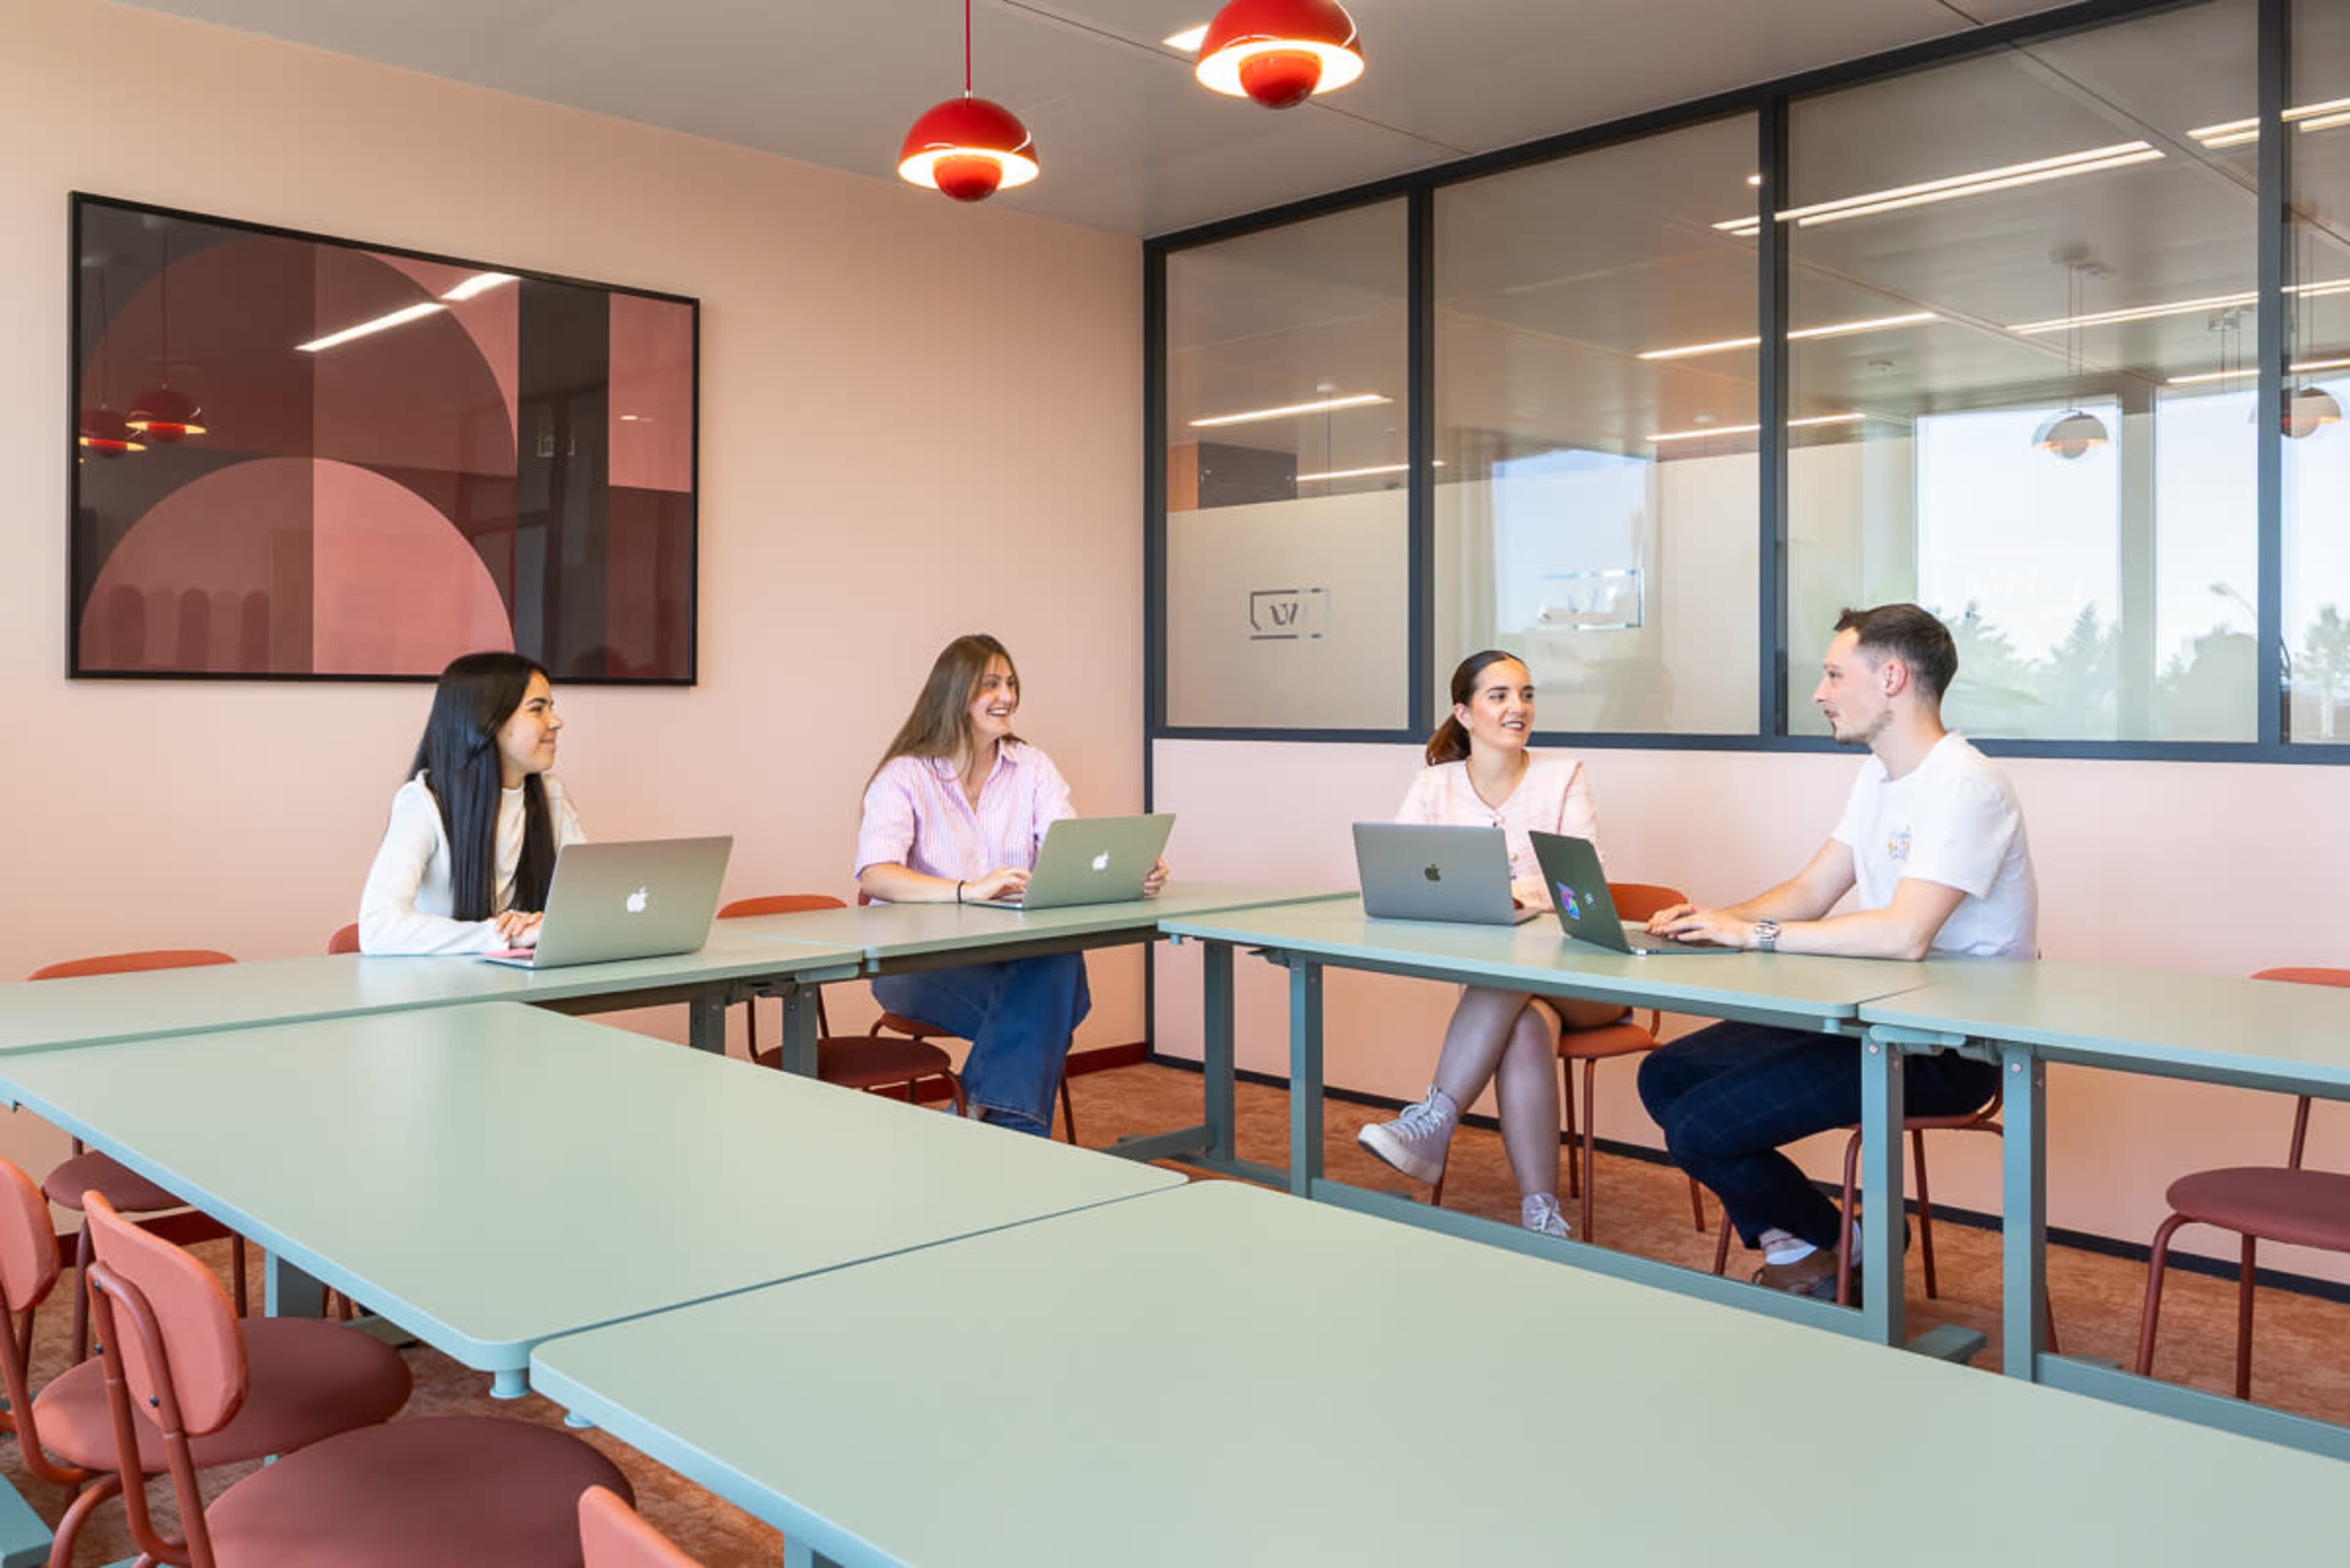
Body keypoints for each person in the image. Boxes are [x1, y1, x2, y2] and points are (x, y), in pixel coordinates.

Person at [1636, 603, 2037, 1300]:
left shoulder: (1966, 786)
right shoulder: (1880, 777)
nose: (1819, 694)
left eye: (1832, 674)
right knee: (1665, 1076)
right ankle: (1828, 1241)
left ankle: (1834, 1247)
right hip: (1870, 1017)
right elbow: (1812, 889)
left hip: (1947, 1049)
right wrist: (1713, 919)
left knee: (1702, 1129)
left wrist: (1752, 936)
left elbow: (1903, 935)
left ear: (1891, 676)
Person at [1355, 650, 1626, 1239]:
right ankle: (1541, 1213)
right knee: (1526, 1024)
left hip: (1585, 977)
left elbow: (1585, 883)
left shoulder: (1564, 777)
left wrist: (1507, 894)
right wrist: (1499, 894)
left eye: (1526, 695)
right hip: (1505, 987)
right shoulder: (1435, 786)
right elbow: (1400, 872)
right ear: (1464, 713)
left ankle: (1435, 1120)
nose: (1518, 708)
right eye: (1499, 696)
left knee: (1510, 981)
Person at [855, 633, 1166, 1136]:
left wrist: (1132, 874)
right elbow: (876, 874)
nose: (1008, 697)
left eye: (1011, 683)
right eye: (991, 685)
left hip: (1006, 956)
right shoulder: (905, 775)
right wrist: (967, 889)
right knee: (1056, 1001)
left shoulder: (1033, 766)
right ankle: (991, 1128)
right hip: (914, 966)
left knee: (1056, 969)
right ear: (954, 693)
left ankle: (972, 1117)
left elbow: (1070, 853)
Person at [358, 651, 584, 954]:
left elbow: (588, 903)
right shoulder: (423, 803)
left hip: (519, 985)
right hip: (438, 990)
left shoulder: (551, 795)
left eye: (551, 708)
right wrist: (504, 936)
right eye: (537, 710)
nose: (556, 722)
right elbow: (378, 928)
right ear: (489, 721)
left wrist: (547, 924)